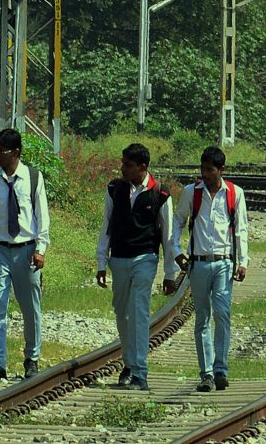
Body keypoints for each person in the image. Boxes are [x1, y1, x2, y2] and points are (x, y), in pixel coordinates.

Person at [96, 143, 179, 391]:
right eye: (122, 163)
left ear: (142, 167)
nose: (122, 168)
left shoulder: (160, 194)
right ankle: (129, 363)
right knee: (122, 313)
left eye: (128, 165)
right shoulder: (114, 189)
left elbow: (168, 237)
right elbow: (106, 227)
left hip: (145, 258)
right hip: (119, 259)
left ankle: (140, 372)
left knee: (138, 312)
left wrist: (170, 273)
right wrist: (101, 262)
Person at [0, 128, 50, 381]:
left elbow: (42, 217)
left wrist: (40, 249)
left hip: (26, 251)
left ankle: (31, 359)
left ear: (15, 152)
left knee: (30, 309)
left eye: (0, 151)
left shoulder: (33, 178)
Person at [171, 146, 248, 393]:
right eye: (202, 169)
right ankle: (206, 373)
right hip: (198, 263)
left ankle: (221, 369)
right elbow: (178, 221)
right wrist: (176, 250)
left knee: (222, 315)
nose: (204, 174)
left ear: (221, 170)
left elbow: (241, 228)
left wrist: (243, 261)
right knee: (202, 317)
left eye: (210, 170)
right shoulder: (191, 193)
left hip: (224, 262)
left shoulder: (234, 193)